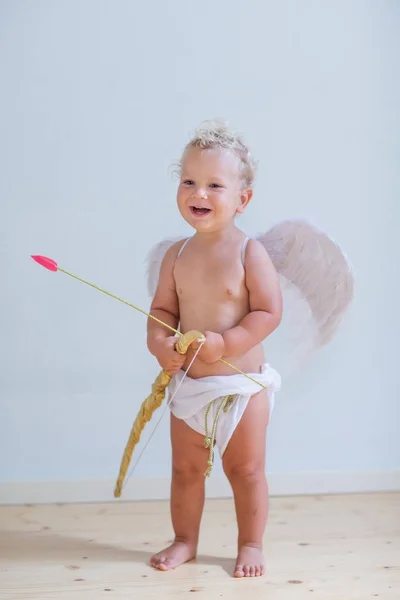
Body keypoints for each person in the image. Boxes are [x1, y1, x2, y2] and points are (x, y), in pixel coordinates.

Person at [146, 121, 282, 578]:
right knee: (185, 470)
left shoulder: (250, 253)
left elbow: (267, 313)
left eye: (214, 185)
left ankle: (250, 543)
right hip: (191, 387)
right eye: (188, 181)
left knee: (245, 471)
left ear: (242, 199)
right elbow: (163, 309)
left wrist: (227, 342)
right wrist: (161, 343)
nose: (197, 192)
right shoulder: (176, 255)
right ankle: (185, 539)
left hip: (241, 388)